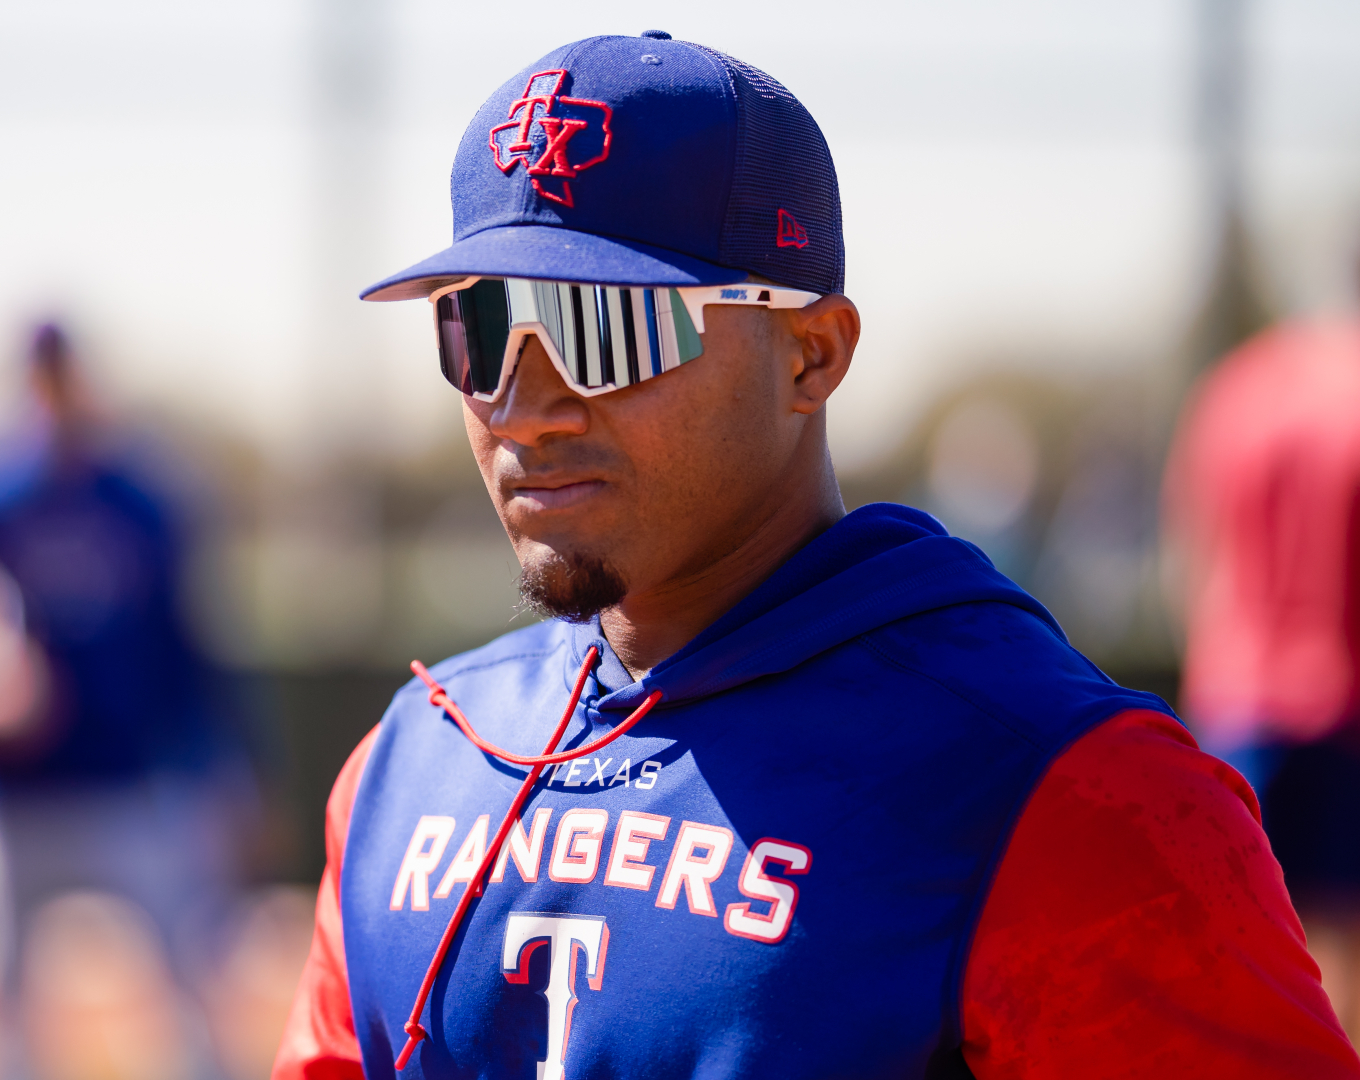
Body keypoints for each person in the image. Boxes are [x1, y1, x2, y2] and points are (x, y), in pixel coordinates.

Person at [272, 32, 1359, 1080]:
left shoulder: (1063, 787)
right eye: (479, 326)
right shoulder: (409, 765)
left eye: (605, 328)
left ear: (811, 354)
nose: (528, 407)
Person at [0, 322, 252, 1080]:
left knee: (194, 1004)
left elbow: (193, 652)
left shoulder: (141, 497)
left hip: (128, 791)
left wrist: (227, 776)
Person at [1163, 306, 1360, 1034]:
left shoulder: (1233, 389)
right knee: (1336, 966)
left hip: (1233, 704)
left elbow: (1190, 550)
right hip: (1339, 703)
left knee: (1239, 957)